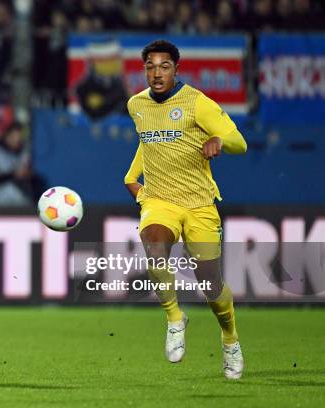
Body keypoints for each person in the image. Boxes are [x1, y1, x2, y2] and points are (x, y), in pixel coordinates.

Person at [124, 40, 247, 379]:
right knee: (154, 245)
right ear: (144, 70)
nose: (157, 72)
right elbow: (150, 140)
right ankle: (175, 317)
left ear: (176, 69)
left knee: (211, 285)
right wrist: (133, 176)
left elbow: (239, 140)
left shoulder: (196, 103)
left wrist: (219, 141)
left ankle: (229, 339)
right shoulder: (136, 105)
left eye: (164, 66)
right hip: (159, 200)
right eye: (151, 66)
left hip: (198, 203)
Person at [0, 122, 40, 206]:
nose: (15, 141)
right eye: (13, 137)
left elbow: (33, 181)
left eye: (19, 138)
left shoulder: (25, 155)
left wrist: (28, 175)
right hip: (0, 205)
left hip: (23, 204)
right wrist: (13, 175)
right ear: (6, 136)